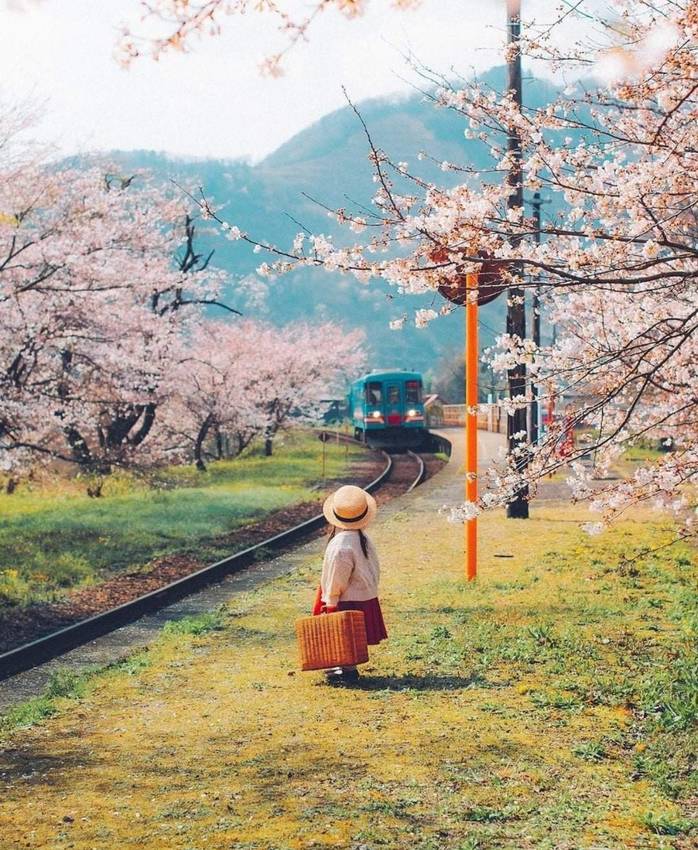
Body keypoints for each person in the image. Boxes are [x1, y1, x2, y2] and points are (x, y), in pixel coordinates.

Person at [312, 484, 388, 684]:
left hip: (344, 597)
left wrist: (331, 600)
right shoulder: (362, 538)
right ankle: (348, 668)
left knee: (337, 632)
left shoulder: (341, 545)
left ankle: (342, 669)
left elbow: (337, 577)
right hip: (362, 595)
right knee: (349, 636)